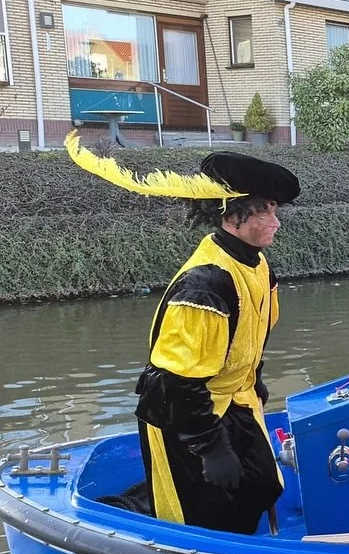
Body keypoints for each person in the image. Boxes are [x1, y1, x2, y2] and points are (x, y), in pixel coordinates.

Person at [61, 131, 299, 533]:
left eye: (275, 210)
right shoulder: (205, 285)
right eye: (266, 211)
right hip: (183, 411)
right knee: (205, 513)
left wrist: (254, 383)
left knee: (262, 485)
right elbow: (178, 379)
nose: (276, 222)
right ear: (235, 214)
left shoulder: (256, 266)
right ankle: (128, 514)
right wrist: (210, 448)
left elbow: (250, 339)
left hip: (231, 398)